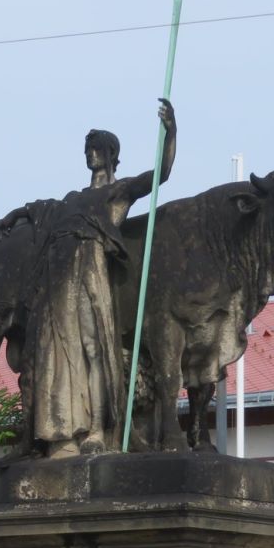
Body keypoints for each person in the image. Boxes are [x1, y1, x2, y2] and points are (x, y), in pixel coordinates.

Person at [22, 99, 176, 457]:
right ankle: (63, 429)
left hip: (90, 264)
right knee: (58, 348)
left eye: (97, 149)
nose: (91, 154)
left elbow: (161, 174)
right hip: (59, 268)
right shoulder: (73, 198)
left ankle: (96, 429)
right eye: (88, 149)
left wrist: (171, 132)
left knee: (92, 347)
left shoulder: (118, 192)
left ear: (111, 154)